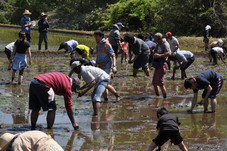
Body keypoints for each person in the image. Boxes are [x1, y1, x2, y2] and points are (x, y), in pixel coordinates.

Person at [94, 30, 117, 101]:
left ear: (101, 36)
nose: (95, 38)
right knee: (103, 83)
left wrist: (114, 66)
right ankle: (106, 99)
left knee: (103, 83)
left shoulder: (106, 44)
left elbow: (113, 55)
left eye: (97, 36)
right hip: (100, 67)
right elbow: (98, 56)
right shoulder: (98, 45)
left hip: (107, 66)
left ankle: (116, 95)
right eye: (95, 36)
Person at [152, 33, 171, 98]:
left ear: (160, 38)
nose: (156, 42)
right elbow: (155, 51)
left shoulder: (165, 44)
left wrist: (159, 55)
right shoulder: (158, 44)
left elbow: (169, 54)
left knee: (160, 83)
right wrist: (153, 52)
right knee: (154, 83)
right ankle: (157, 97)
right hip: (157, 64)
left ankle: (165, 98)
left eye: (157, 40)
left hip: (162, 64)